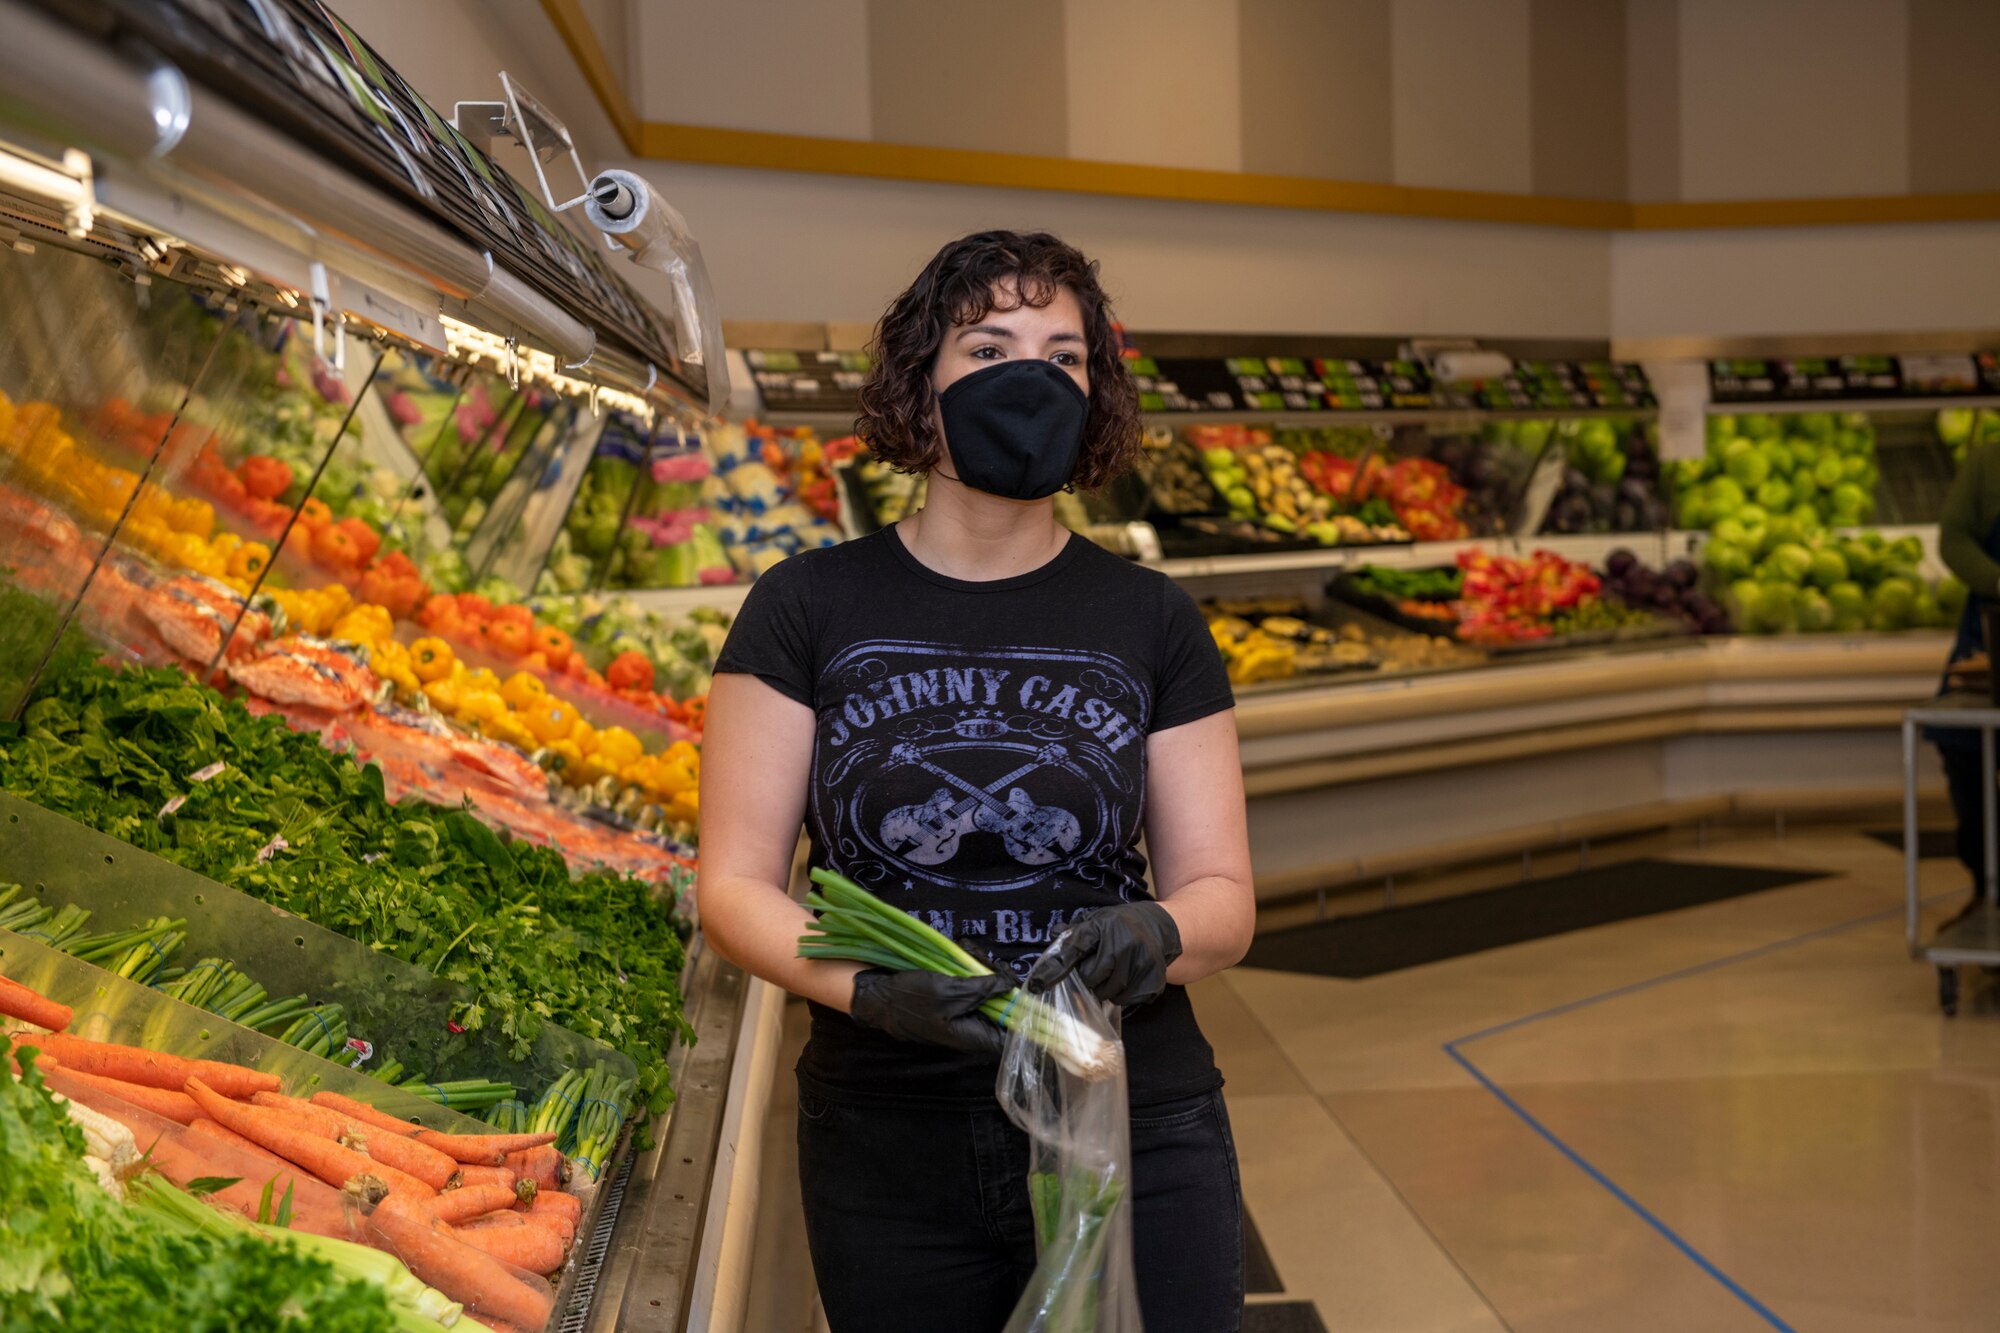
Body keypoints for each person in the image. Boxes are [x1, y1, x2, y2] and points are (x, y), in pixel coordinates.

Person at [697, 230, 1256, 1333]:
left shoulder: (1151, 618)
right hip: (887, 1134)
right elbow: (732, 886)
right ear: (921, 384)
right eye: (990, 346)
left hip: (1129, 1112)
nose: (1030, 380)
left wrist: (1152, 934)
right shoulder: (804, 606)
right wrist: (868, 988)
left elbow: (1222, 897)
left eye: (1063, 357)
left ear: (1094, 397)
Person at [1934, 440, 2000, 925]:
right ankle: (1986, 889)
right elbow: (1954, 539)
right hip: (1989, 634)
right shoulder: (1987, 461)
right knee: (1966, 753)